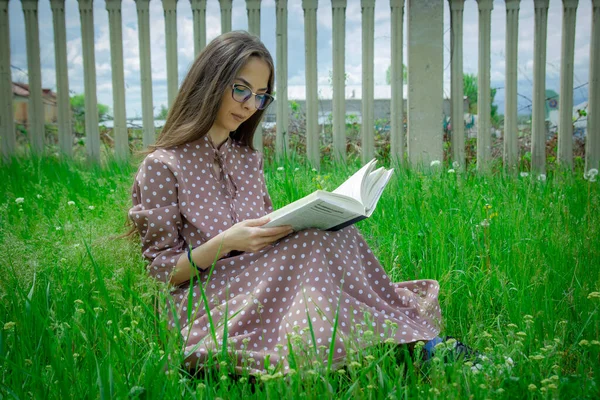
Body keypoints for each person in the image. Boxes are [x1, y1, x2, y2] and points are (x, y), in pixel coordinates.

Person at [126, 31, 447, 375]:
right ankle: (417, 348)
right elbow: (161, 272)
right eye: (241, 89)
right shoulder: (164, 165)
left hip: (259, 277)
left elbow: (262, 232)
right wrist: (225, 242)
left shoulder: (248, 160)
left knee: (337, 234)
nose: (250, 105)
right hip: (208, 295)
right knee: (311, 246)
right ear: (210, 82)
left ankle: (409, 345)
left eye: (261, 96)